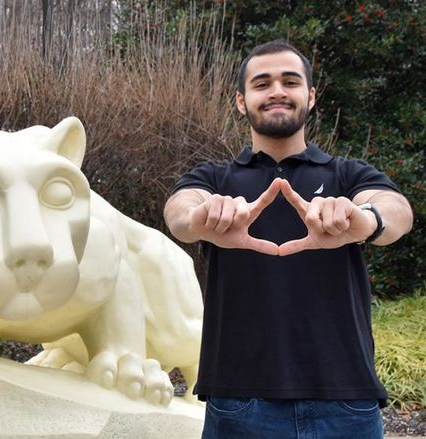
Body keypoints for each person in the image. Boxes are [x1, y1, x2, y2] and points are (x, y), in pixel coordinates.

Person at [164, 40, 413, 438]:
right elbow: (178, 212)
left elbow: (397, 211)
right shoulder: (214, 180)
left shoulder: (347, 176)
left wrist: (364, 221)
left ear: (310, 97)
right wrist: (202, 217)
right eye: (262, 83)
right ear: (242, 101)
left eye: (290, 81)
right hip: (238, 402)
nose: (277, 90)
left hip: (346, 401)